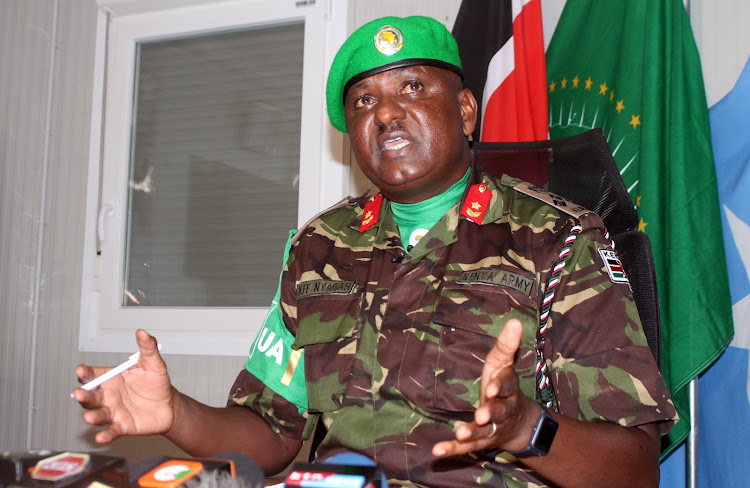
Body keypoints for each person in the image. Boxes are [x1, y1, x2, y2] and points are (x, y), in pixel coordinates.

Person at [74, 16, 676, 488]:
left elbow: (633, 469)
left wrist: (524, 428)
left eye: (411, 87)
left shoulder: (559, 239)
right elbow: (271, 436)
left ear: (466, 111)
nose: (384, 112)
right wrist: (175, 413)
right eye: (363, 101)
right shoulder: (319, 247)